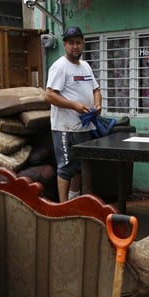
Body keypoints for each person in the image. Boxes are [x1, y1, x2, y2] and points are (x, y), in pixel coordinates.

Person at [44, 26, 102, 203]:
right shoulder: (60, 67)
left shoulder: (85, 66)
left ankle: (74, 199)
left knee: (79, 167)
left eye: (78, 42)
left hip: (83, 125)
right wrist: (74, 105)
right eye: (71, 43)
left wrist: (98, 103)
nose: (75, 46)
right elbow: (49, 95)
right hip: (65, 128)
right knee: (66, 167)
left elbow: (96, 89)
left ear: (83, 44)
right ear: (64, 45)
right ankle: (63, 206)